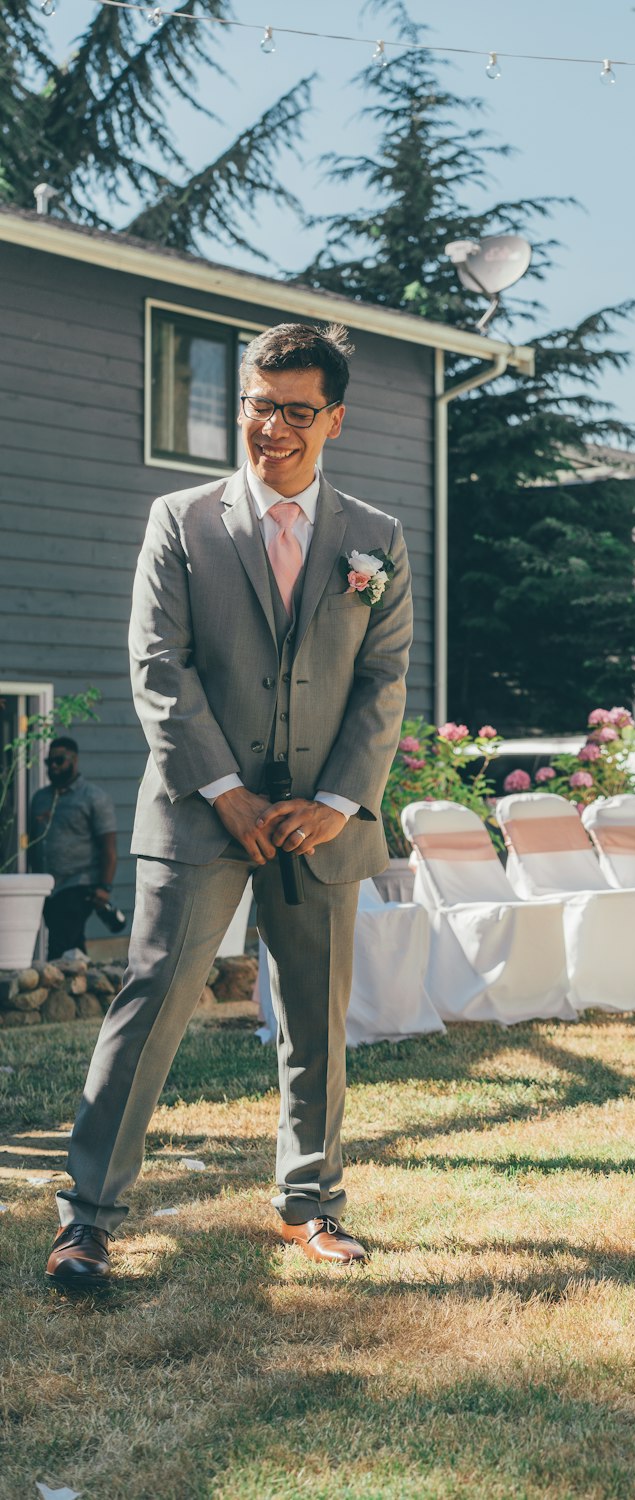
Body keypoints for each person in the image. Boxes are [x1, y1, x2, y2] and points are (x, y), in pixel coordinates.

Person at [46, 321, 412, 1289]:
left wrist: (337, 801)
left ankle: (311, 1203)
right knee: (153, 1002)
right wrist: (228, 792)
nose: (273, 428)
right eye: (259, 406)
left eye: (297, 411)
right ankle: (86, 1216)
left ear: (334, 418)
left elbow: (383, 680)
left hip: (320, 826)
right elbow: (158, 668)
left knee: (315, 1021)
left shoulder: (377, 540)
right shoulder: (183, 521)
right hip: (203, 810)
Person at [28, 736, 118, 959]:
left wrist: (105, 887)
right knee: (73, 945)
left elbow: (109, 847)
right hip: (48, 887)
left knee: (60, 946)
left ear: (74, 760)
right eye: (50, 762)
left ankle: (57, 988)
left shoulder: (94, 797)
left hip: (78, 885)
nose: (54, 766)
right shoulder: (40, 798)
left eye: (60, 760)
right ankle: (85, 988)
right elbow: (32, 842)